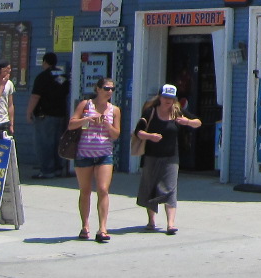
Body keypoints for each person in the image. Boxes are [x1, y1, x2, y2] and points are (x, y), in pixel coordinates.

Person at [136, 84, 201, 234]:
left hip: (171, 156)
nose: (168, 101)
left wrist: (187, 122)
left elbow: (198, 122)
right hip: (151, 155)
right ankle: (151, 221)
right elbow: (138, 131)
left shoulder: (177, 111)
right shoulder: (150, 112)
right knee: (150, 187)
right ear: (159, 97)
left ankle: (170, 224)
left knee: (171, 189)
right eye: (165, 97)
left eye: (171, 98)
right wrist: (150, 136)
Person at [68, 77, 121, 242]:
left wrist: (107, 125)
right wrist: (87, 119)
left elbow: (116, 135)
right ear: (98, 89)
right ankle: (85, 226)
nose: (109, 92)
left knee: (103, 189)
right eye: (106, 88)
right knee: (85, 191)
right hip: (84, 153)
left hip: (104, 153)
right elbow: (71, 124)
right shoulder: (86, 105)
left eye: (112, 89)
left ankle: (103, 228)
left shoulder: (114, 110)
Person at [27, 52, 70, 179]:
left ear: (45, 62)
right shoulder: (63, 76)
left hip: (45, 115)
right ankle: (58, 169)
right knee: (58, 143)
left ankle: (47, 171)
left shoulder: (43, 77)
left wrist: (29, 112)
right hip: (61, 115)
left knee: (44, 144)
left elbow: (35, 96)